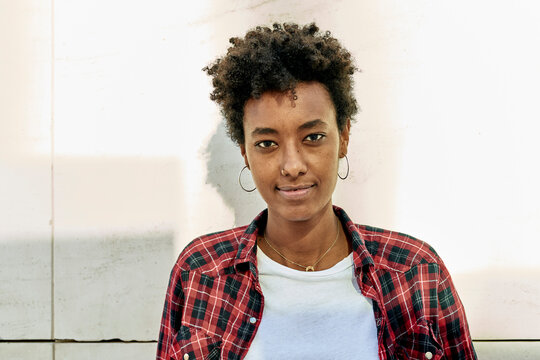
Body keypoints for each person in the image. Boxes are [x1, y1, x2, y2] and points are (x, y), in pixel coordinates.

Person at [156, 23, 477, 360]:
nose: (292, 165)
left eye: (313, 137)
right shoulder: (200, 272)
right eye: (267, 143)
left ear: (344, 136)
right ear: (244, 153)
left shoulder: (416, 272)